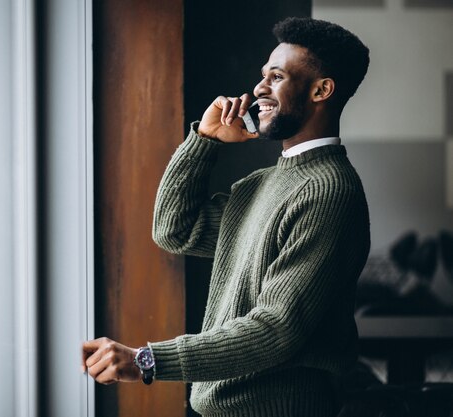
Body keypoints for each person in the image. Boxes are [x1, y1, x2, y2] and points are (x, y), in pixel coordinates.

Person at [82, 16, 371, 417]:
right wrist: (204, 140)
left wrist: (147, 360)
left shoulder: (329, 191)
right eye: (262, 76)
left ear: (322, 90)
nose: (258, 89)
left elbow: (277, 328)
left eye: (276, 76)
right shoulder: (263, 184)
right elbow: (174, 230)